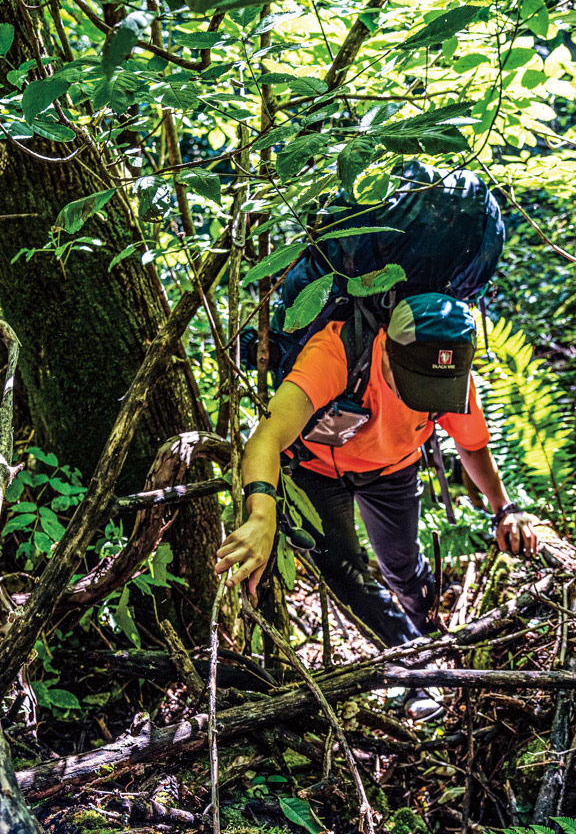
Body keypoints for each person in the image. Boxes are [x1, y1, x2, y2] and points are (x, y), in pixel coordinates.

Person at [215, 293, 538, 719]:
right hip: (317, 469)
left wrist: (504, 508)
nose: (420, 398)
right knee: (347, 578)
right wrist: (261, 514)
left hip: (394, 470)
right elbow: (268, 436)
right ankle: (417, 667)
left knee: (403, 567)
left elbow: (472, 446)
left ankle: (430, 633)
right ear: (384, 342)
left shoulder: (450, 376)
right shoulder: (335, 352)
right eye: (411, 381)